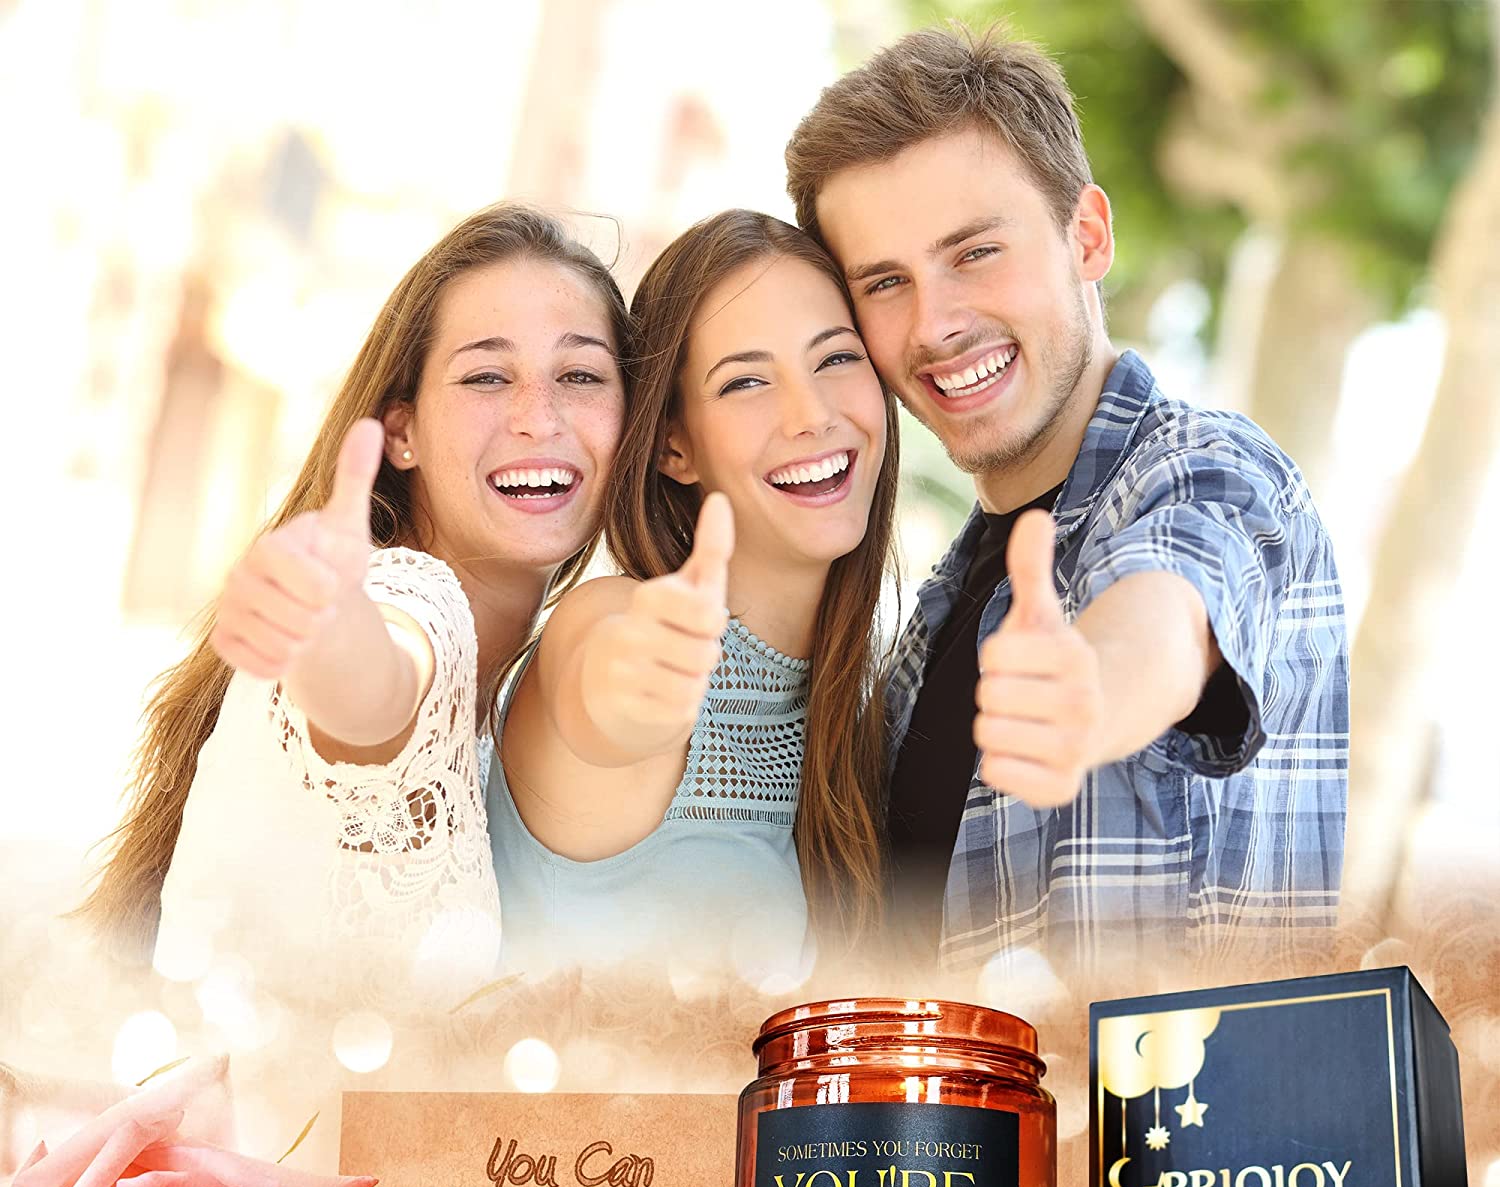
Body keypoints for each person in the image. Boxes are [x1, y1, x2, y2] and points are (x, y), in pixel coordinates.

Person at [785, 25, 1349, 978]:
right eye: (886, 282)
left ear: (1086, 236)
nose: (935, 324)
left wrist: (1091, 696)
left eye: (975, 253)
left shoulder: (1212, 470)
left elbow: (1169, 603)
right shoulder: (933, 616)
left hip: (1167, 1127)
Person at [85, 205, 630, 1002]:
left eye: (579, 375)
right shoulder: (405, 601)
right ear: (400, 433)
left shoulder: (534, 686)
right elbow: (377, 681)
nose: (537, 416)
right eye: (486, 375)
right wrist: (327, 628)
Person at [490, 210, 899, 982]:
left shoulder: (866, 702)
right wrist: (637, 690)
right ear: (676, 445)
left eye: (836, 359)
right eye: (745, 381)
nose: (811, 415)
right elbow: (604, 692)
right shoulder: (612, 620)